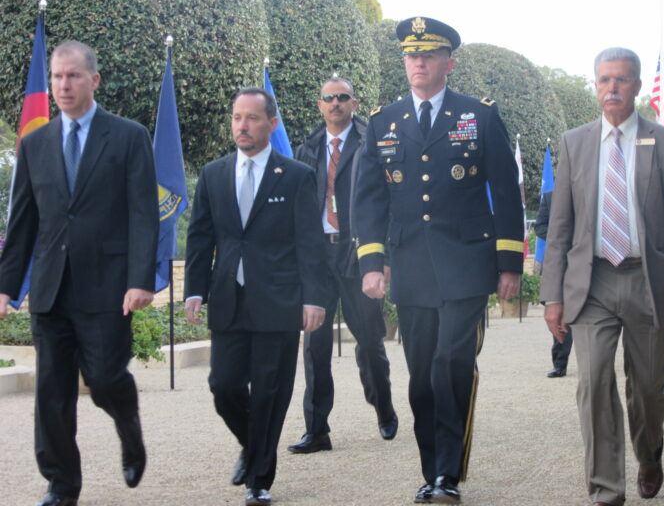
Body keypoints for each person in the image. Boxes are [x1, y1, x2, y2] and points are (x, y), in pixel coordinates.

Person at [355, 16, 525, 504]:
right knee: (420, 379)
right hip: (411, 269)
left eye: (428, 55)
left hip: (467, 265)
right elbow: (368, 200)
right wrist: (372, 262)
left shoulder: (480, 116)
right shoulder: (384, 122)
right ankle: (431, 472)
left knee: (451, 364)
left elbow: (505, 194)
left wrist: (509, 262)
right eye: (411, 55)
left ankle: (447, 475)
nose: (419, 63)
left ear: (449, 62)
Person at [541, 47, 664, 506]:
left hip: (650, 283)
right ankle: (606, 491)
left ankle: (649, 452)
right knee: (592, 382)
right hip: (591, 284)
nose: (612, 88)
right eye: (604, 80)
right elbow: (560, 228)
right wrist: (552, 295)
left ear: (636, 87)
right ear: (596, 86)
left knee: (648, 388)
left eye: (621, 80)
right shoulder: (574, 143)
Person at [0, 41, 159, 506]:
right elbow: (23, 222)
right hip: (51, 290)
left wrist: (140, 279)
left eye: (72, 76)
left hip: (108, 288)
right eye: (56, 77)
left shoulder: (128, 136)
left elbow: (142, 213)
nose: (63, 86)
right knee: (51, 392)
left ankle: (129, 429)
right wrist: (6, 285)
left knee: (107, 380)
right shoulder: (35, 144)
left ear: (94, 80)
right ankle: (61, 485)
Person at [184, 87, 327, 506]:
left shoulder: (296, 175)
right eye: (236, 118)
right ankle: (253, 444)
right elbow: (200, 238)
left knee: (269, 391)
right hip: (228, 296)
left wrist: (314, 298)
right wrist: (195, 289)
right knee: (223, 385)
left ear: (272, 124)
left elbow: (310, 243)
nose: (242, 126)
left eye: (251, 118)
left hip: (279, 300)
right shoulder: (213, 174)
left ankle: (259, 480)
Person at [289, 77, 397, 454]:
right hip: (318, 256)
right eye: (328, 98)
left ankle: (383, 406)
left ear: (354, 103)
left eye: (342, 97)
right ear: (320, 105)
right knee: (314, 345)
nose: (335, 103)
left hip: (358, 252)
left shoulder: (372, 143)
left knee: (369, 340)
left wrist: (382, 259)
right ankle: (317, 429)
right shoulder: (308, 148)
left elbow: (386, 202)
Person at [534, 190, 573, 378]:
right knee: (557, 315)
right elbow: (539, 227)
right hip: (557, 263)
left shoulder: (587, 189)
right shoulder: (549, 197)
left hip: (584, 261)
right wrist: (559, 233)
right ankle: (560, 365)